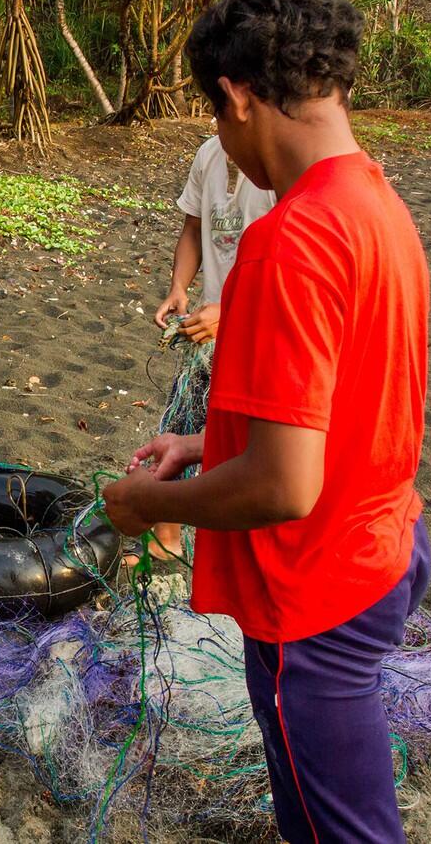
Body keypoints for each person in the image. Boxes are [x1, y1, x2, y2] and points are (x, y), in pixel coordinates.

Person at [102, 0, 431, 842]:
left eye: (217, 113)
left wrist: (147, 505)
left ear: (238, 96)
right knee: (307, 813)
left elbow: (285, 484)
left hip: (316, 595)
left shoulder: (290, 239)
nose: (223, 135)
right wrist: (208, 440)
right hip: (385, 548)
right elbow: (340, 411)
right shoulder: (377, 205)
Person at [145, 134, 275, 561]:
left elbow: (283, 273)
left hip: (259, 330)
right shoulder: (209, 154)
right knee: (179, 424)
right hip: (206, 327)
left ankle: (231, 548)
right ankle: (167, 538)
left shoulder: (277, 167)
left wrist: (232, 312)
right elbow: (193, 228)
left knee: (242, 440)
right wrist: (179, 288)